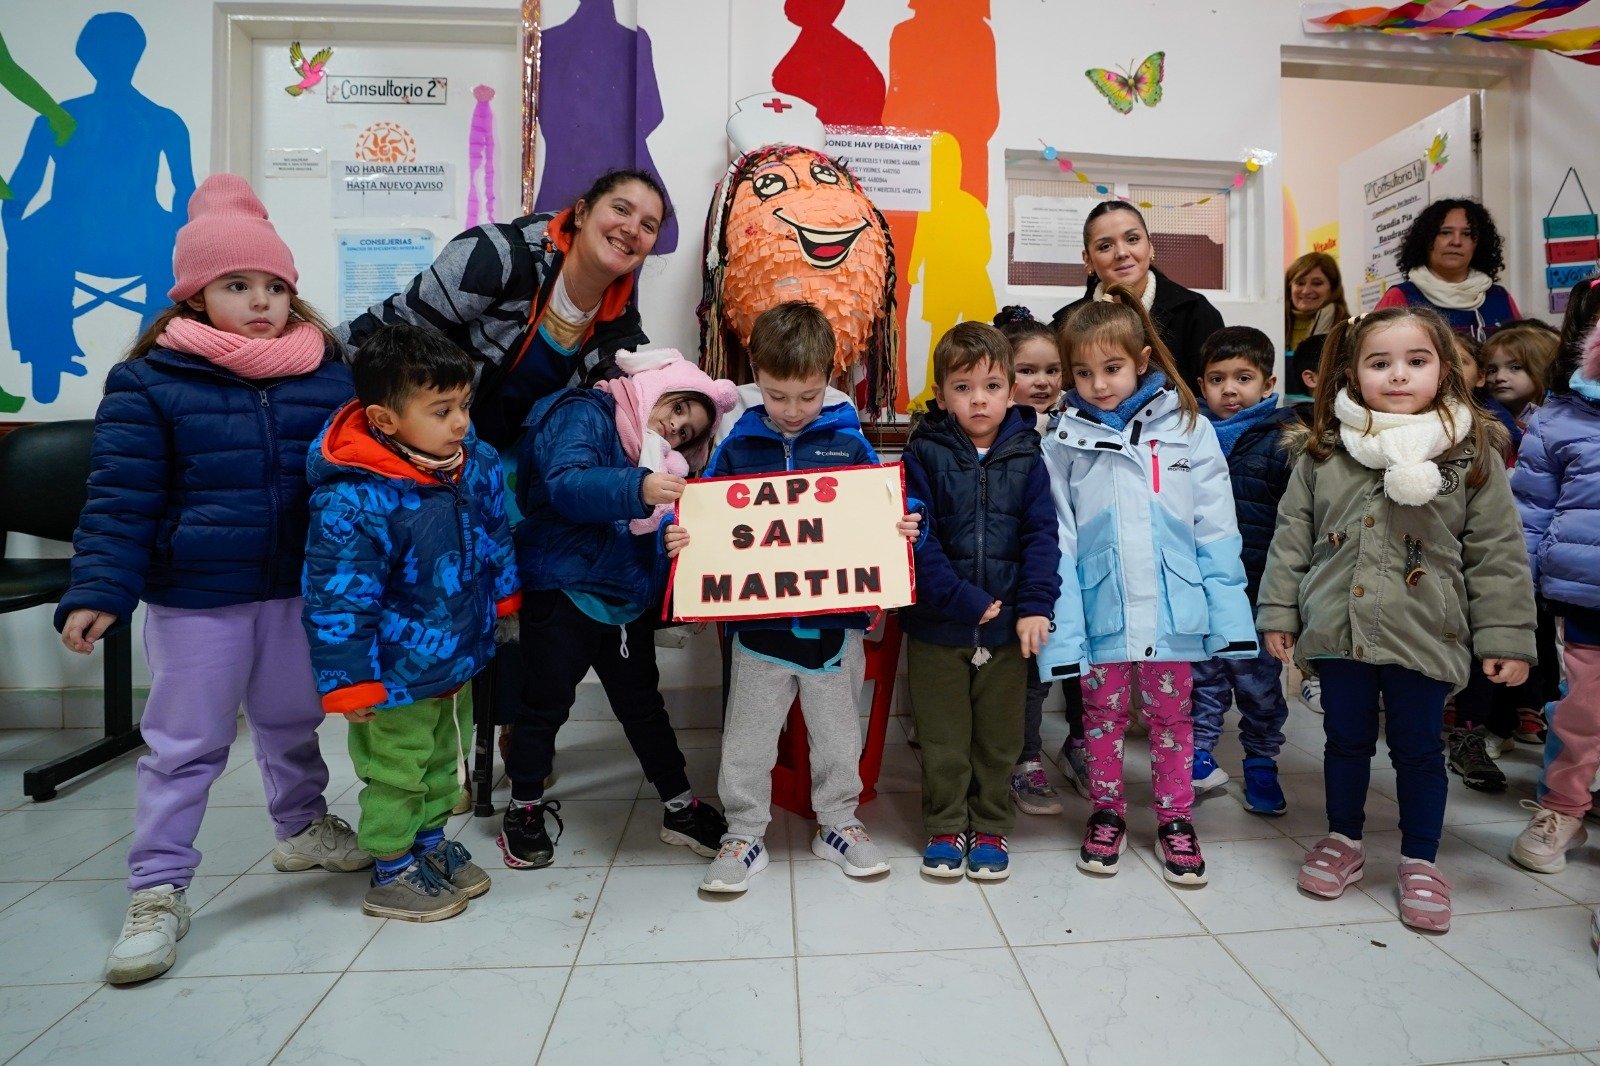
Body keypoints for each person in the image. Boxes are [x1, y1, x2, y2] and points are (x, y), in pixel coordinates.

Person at [54, 174, 365, 984]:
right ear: (193, 299)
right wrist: (98, 589)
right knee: (185, 745)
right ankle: (157, 889)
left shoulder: (329, 372)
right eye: (237, 286)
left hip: (298, 588)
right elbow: (122, 496)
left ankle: (301, 829)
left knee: (293, 721)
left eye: (275, 286)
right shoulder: (151, 381)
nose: (261, 302)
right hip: (198, 595)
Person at [1259, 306, 1536, 934]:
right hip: (1338, 628)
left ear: (1444, 369)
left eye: (1417, 361)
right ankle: (1343, 838)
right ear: (1353, 374)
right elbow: (1291, 538)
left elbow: (1496, 552)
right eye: (1379, 363)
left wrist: (1506, 635)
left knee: (1417, 750)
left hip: (1425, 630)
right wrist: (1279, 612)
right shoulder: (1326, 451)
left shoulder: (1473, 456)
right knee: (1347, 742)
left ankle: (1419, 859)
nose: (1399, 375)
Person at [670, 302, 917, 894]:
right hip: (761, 629)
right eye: (778, 395)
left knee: (838, 733)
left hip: (835, 627)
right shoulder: (737, 448)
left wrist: (907, 526)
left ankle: (838, 822)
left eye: (807, 396)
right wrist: (684, 540)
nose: (792, 410)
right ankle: (744, 831)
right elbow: (708, 522)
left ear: (829, 377)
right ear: (756, 376)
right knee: (748, 736)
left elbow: (882, 516)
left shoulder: (849, 443)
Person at [1038, 285, 1258, 887]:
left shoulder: (1189, 428)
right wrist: (1064, 627)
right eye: (1082, 372)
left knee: (1171, 722)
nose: (1099, 383)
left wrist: (1230, 616)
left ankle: (1175, 820)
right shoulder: (1061, 441)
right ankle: (1107, 812)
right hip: (1101, 607)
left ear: (1141, 360)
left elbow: (1216, 528)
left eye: (1112, 368)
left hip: (1173, 609)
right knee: (1100, 722)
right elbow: (1056, 541)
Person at [301, 324, 519, 920]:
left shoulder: (476, 465)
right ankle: (390, 866)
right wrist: (350, 683)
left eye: (465, 406)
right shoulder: (353, 499)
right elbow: (337, 597)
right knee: (396, 770)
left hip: (455, 652)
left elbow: (496, 535)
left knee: (440, 756)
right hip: (392, 671)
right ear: (385, 418)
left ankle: (428, 845)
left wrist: (504, 603)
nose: (460, 424)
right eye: (442, 410)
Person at [501, 348, 737, 869]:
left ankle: (679, 807)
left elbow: (650, 530)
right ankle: (521, 809)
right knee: (543, 707)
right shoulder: (585, 410)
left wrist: (674, 538)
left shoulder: (662, 461)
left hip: (624, 599)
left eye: (686, 431)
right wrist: (638, 487)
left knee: (644, 708)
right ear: (656, 385)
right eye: (677, 409)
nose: (674, 427)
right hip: (564, 588)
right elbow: (565, 482)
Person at [337, 168, 668, 449]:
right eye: (621, 210)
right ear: (581, 213)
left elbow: (588, 419)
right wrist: (313, 350)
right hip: (422, 445)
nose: (631, 229)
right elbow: (394, 326)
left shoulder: (619, 331)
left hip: (506, 468)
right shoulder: (498, 256)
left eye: (648, 225)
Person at [901, 322, 1060, 880]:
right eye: (963, 387)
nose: (978, 399)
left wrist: (1037, 606)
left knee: (999, 736)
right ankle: (945, 825)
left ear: (1011, 389)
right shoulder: (921, 452)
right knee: (944, 736)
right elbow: (918, 540)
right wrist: (962, 598)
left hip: (1009, 627)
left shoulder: (1029, 455)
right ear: (942, 394)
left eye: (991, 385)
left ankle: (990, 825)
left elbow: (1043, 537)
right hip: (938, 625)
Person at [1190, 326, 1298, 815]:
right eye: (1217, 379)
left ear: (1269, 383)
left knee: (1257, 684)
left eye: (1243, 377)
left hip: (1256, 589)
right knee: (1202, 678)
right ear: (1200, 382)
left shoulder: (1285, 441)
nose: (1229, 389)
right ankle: (1197, 756)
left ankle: (1260, 761)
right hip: (1199, 587)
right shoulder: (1185, 437)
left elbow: (1296, 525)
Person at [1508, 320, 1600, 875]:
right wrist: (1522, 588)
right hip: (1588, 594)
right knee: (1581, 707)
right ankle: (1562, 807)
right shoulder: (1561, 420)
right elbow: (1531, 512)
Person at [992, 306, 1087, 812]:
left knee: (1078, 666)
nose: (1044, 381)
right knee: (1030, 671)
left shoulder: (1080, 422)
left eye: (1053, 370)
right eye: (1028, 371)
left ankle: (1079, 745)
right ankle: (1026, 760)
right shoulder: (1001, 431)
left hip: (1078, 564)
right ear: (1004, 378)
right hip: (1028, 567)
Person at [1050, 201, 1225, 387]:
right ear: (1088, 259)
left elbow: (1215, 395)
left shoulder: (1196, 313)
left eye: (1132, 239)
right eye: (1105, 246)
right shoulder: (1064, 325)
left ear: (1150, 246)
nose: (1122, 253)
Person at [1375, 198, 1520, 340]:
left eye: (1467, 234)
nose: (1456, 242)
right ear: (1426, 240)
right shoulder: (1401, 297)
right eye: (1445, 232)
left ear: (1478, 244)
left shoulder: (1500, 298)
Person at [1284, 252, 1349, 356]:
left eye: (1316, 283)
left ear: (1333, 289)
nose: (1306, 291)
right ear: (1289, 288)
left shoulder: (1349, 331)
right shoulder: (1274, 324)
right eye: (1300, 283)